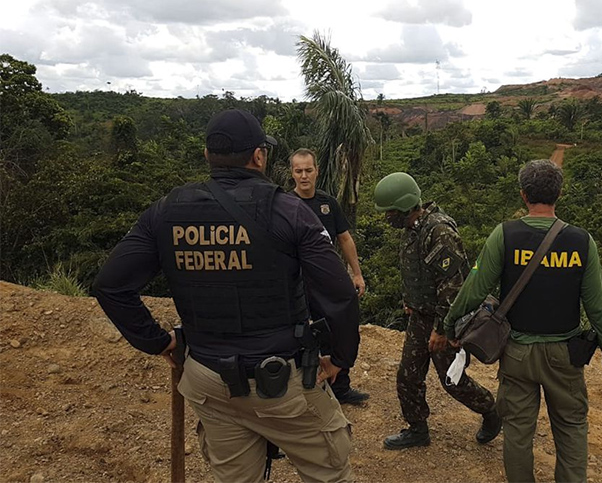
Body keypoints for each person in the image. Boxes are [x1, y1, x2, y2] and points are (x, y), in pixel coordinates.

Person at [93, 109, 359, 483]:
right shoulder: (289, 211)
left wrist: (159, 343)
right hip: (282, 382)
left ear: (207, 156)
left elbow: (110, 286)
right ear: (259, 156)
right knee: (330, 474)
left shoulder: (168, 211)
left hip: (209, 382)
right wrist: (341, 359)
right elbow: (341, 295)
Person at [444, 159, 602, 483]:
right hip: (564, 357)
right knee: (570, 431)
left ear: (523, 195)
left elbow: (475, 288)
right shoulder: (581, 242)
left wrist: (451, 322)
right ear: (559, 194)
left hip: (516, 355)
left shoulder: (505, 235)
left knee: (517, 434)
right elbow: (598, 307)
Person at [373, 172, 501, 450]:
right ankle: (417, 429)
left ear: (406, 205)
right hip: (420, 317)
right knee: (408, 375)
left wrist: (442, 329)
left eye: (391, 211)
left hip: (444, 319)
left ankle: (491, 410)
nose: (387, 217)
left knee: (452, 381)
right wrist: (411, 300)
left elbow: (453, 285)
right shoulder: (412, 229)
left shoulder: (439, 231)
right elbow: (417, 271)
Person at [289, 147, 369, 405]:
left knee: (337, 329)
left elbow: (345, 238)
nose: (304, 176)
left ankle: (341, 387)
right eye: (298, 171)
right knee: (300, 334)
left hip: (326, 281)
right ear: (292, 173)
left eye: (308, 170)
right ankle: (305, 388)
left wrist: (356, 274)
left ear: (317, 171)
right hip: (294, 282)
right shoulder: (285, 205)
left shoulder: (327, 204)